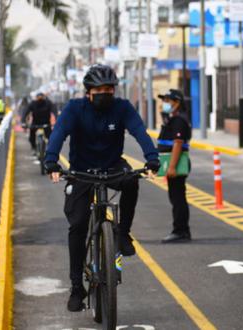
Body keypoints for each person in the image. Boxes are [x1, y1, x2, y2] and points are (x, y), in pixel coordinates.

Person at [43, 64, 160, 312]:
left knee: (132, 181)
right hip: (81, 171)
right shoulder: (75, 109)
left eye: (109, 89)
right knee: (77, 225)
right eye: (100, 89)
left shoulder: (122, 108)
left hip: (112, 166)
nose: (105, 93)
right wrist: (51, 160)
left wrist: (152, 158)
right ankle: (77, 287)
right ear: (88, 92)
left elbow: (139, 131)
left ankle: (123, 233)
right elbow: (59, 133)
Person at [157, 89, 192, 243]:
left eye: (167, 100)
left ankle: (180, 231)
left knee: (178, 199)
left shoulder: (179, 120)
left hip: (177, 165)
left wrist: (171, 167)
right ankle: (182, 230)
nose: (165, 103)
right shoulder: (173, 119)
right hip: (173, 163)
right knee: (176, 197)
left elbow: (178, 144)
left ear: (177, 103)